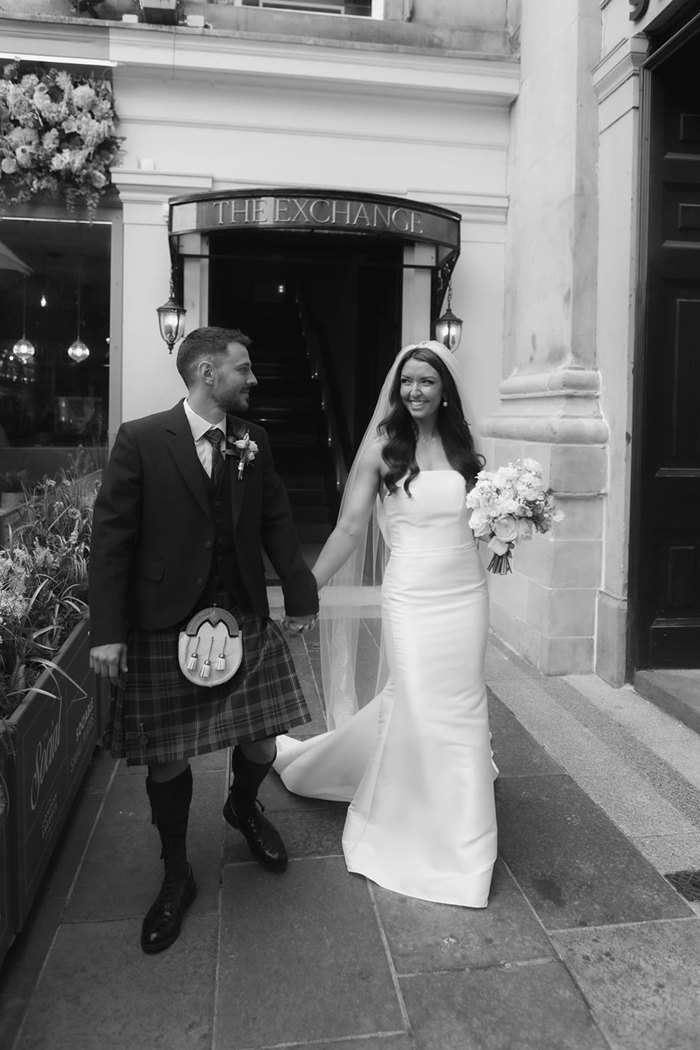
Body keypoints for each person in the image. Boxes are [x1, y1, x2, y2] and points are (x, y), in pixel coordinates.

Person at [89, 326, 318, 953]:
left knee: (264, 738)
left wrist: (300, 595)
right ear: (208, 374)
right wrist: (108, 630)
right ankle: (175, 875)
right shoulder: (141, 439)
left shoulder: (253, 441)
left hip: (240, 610)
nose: (253, 379)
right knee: (168, 755)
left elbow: (275, 519)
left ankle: (243, 807)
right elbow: (111, 540)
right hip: (165, 620)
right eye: (243, 369)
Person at [274, 340, 497, 907]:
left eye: (426, 381)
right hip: (413, 595)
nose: (416, 391)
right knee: (420, 698)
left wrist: (512, 524)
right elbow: (349, 530)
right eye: (407, 382)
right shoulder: (382, 447)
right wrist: (306, 591)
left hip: (466, 592)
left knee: (462, 699)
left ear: (445, 388)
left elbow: (481, 524)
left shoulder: (465, 448)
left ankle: (463, 817)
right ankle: (422, 822)